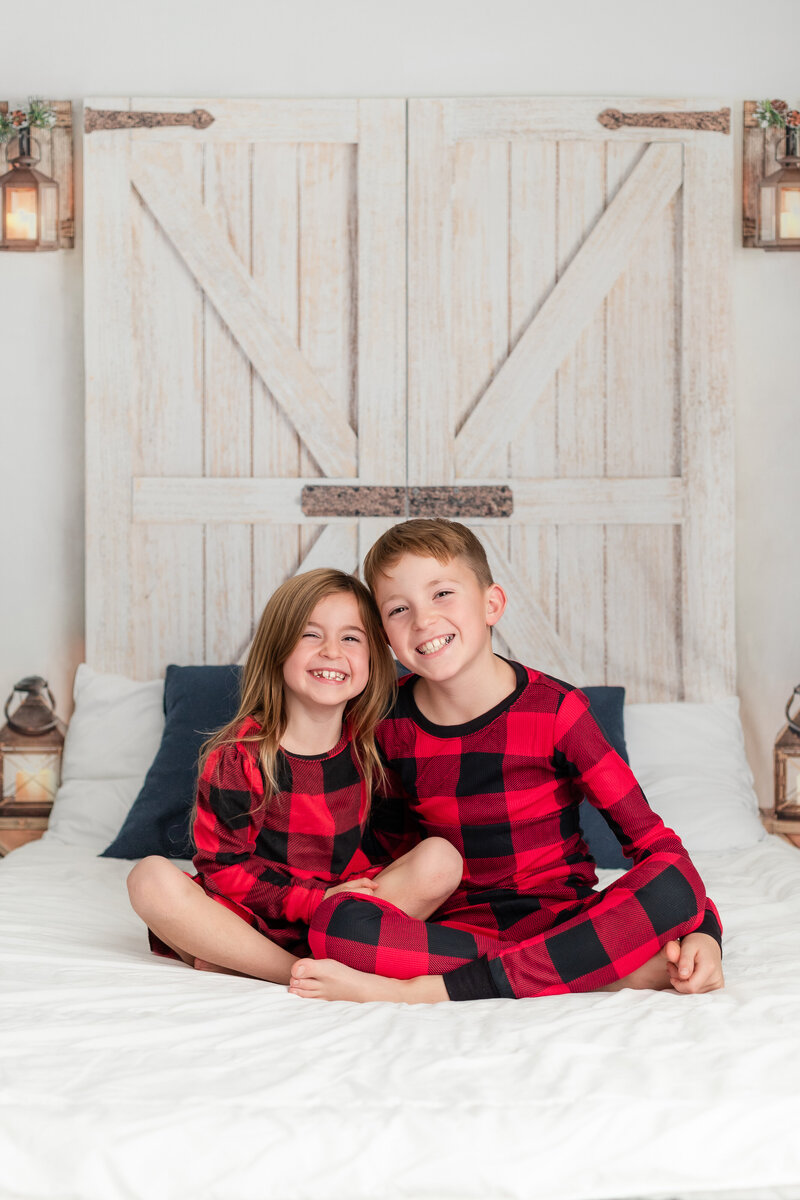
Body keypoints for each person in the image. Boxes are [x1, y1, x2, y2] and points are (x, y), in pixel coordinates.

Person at [289, 520, 725, 1004]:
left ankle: (426, 992)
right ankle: (591, 968)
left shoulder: (558, 709)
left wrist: (706, 932)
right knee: (339, 924)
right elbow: (389, 856)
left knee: (674, 884)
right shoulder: (384, 720)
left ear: (492, 603)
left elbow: (656, 847)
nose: (423, 621)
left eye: (442, 594)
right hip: (458, 932)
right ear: (385, 635)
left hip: (567, 915)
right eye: (398, 609)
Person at [127, 567, 462, 983]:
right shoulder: (238, 756)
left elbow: (395, 845)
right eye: (311, 635)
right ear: (277, 649)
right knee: (149, 879)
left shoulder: (375, 745)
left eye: (351, 638)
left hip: (344, 908)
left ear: (374, 661)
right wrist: (313, 900)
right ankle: (290, 970)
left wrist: (353, 898)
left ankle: (244, 957)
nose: (332, 652)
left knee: (442, 860)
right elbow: (224, 869)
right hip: (255, 909)